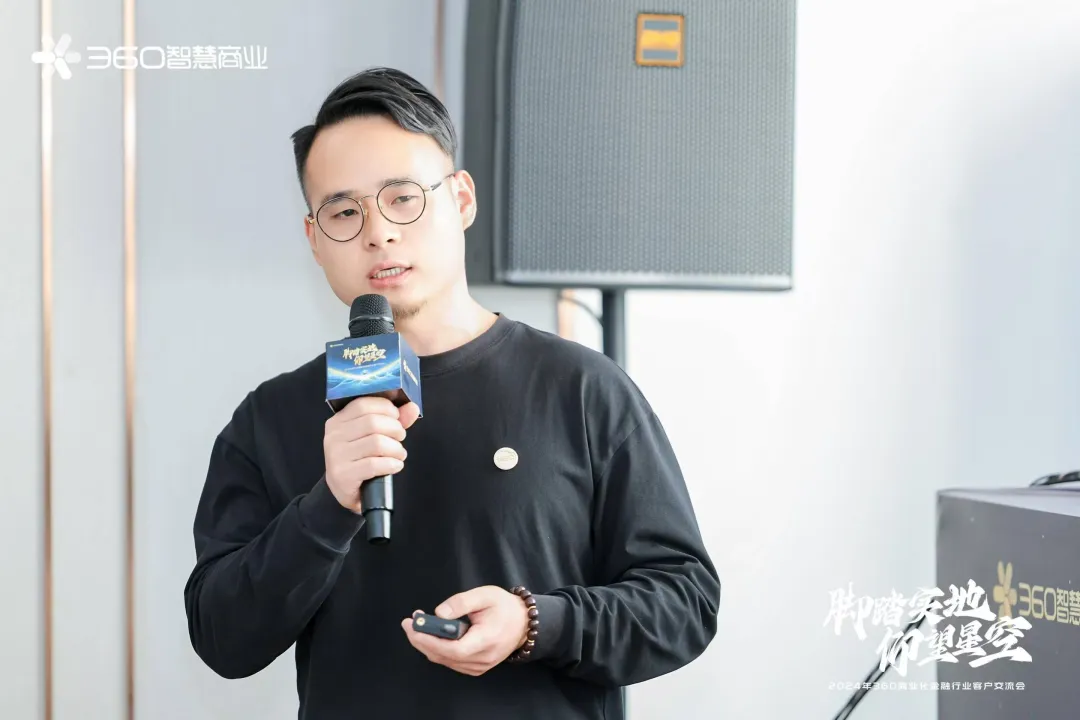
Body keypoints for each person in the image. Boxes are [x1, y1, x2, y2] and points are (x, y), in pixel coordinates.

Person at [183, 66, 720, 720]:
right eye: (345, 212)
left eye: (402, 198)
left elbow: (685, 603)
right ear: (314, 240)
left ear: (461, 200)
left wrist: (537, 623)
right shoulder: (271, 417)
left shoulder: (580, 389)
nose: (379, 232)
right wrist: (328, 506)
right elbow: (222, 638)